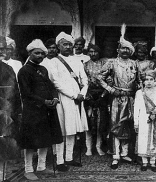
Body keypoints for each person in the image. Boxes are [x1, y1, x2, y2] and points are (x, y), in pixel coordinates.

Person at [17, 39, 63, 180]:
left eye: (43, 54)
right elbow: (26, 93)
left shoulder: (43, 69)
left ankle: (41, 167)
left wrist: (55, 98)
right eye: (37, 53)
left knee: (45, 139)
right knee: (31, 142)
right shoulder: (24, 71)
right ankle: (28, 169)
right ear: (30, 53)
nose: (40, 56)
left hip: (47, 111)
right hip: (33, 111)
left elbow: (51, 87)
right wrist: (44, 101)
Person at [97, 24, 139, 169]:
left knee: (128, 126)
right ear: (118, 50)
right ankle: (115, 155)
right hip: (116, 99)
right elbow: (99, 77)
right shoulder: (112, 63)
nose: (125, 51)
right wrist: (110, 89)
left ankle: (125, 153)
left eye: (128, 48)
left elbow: (139, 82)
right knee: (116, 127)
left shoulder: (135, 64)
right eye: (123, 48)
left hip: (131, 99)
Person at [49, 32, 89, 171]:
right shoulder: (53, 62)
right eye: (64, 44)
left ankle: (69, 158)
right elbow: (56, 83)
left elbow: (84, 80)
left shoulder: (77, 61)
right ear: (59, 46)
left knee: (72, 130)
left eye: (69, 44)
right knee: (62, 130)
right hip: (63, 99)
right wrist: (73, 95)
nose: (67, 47)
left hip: (77, 100)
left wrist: (82, 94)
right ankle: (60, 160)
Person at [134, 69, 156, 172]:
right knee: (143, 141)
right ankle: (144, 162)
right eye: (146, 80)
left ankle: (152, 162)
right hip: (143, 120)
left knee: (154, 141)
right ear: (143, 81)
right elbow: (136, 108)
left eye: (151, 79)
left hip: (155, 120)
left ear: (154, 80)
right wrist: (136, 122)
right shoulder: (139, 93)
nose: (148, 82)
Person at [0, 36, 22, 181]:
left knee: (3, 145)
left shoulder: (7, 69)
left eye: (2, 48)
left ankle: (1, 175)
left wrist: (17, 111)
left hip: (4, 113)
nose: (1, 51)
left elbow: (14, 93)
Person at [84, 43, 109, 156]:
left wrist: (103, 95)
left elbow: (109, 80)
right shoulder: (85, 65)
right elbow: (82, 81)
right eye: (91, 51)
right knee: (88, 122)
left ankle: (98, 146)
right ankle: (88, 147)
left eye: (95, 51)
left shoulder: (105, 63)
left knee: (100, 123)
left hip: (101, 95)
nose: (93, 54)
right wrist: (87, 95)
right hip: (88, 96)